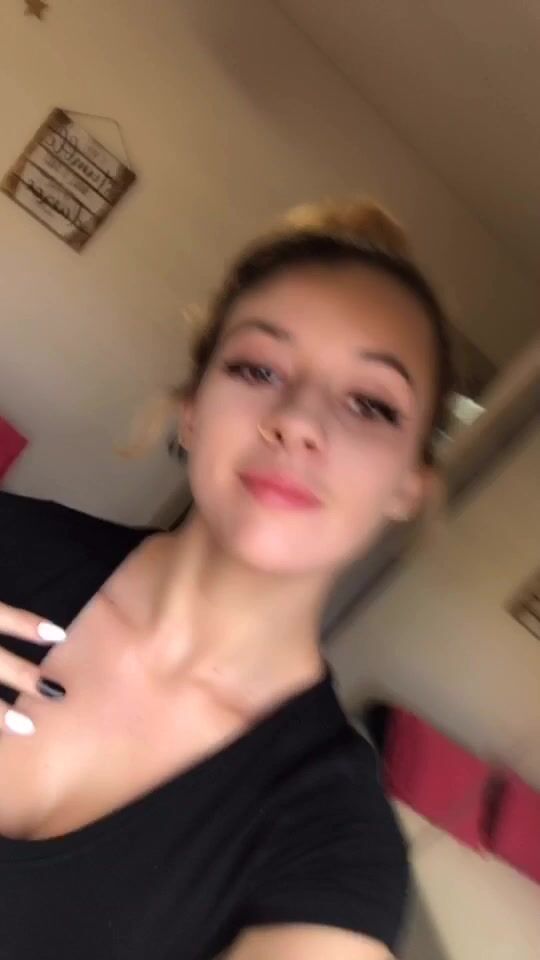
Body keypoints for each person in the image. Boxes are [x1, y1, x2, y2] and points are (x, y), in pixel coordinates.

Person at [0, 199, 453, 960]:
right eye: (258, 368)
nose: (299, 420)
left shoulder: (334, 848)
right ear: (192, 412)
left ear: (410, 484)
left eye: (370, 404)